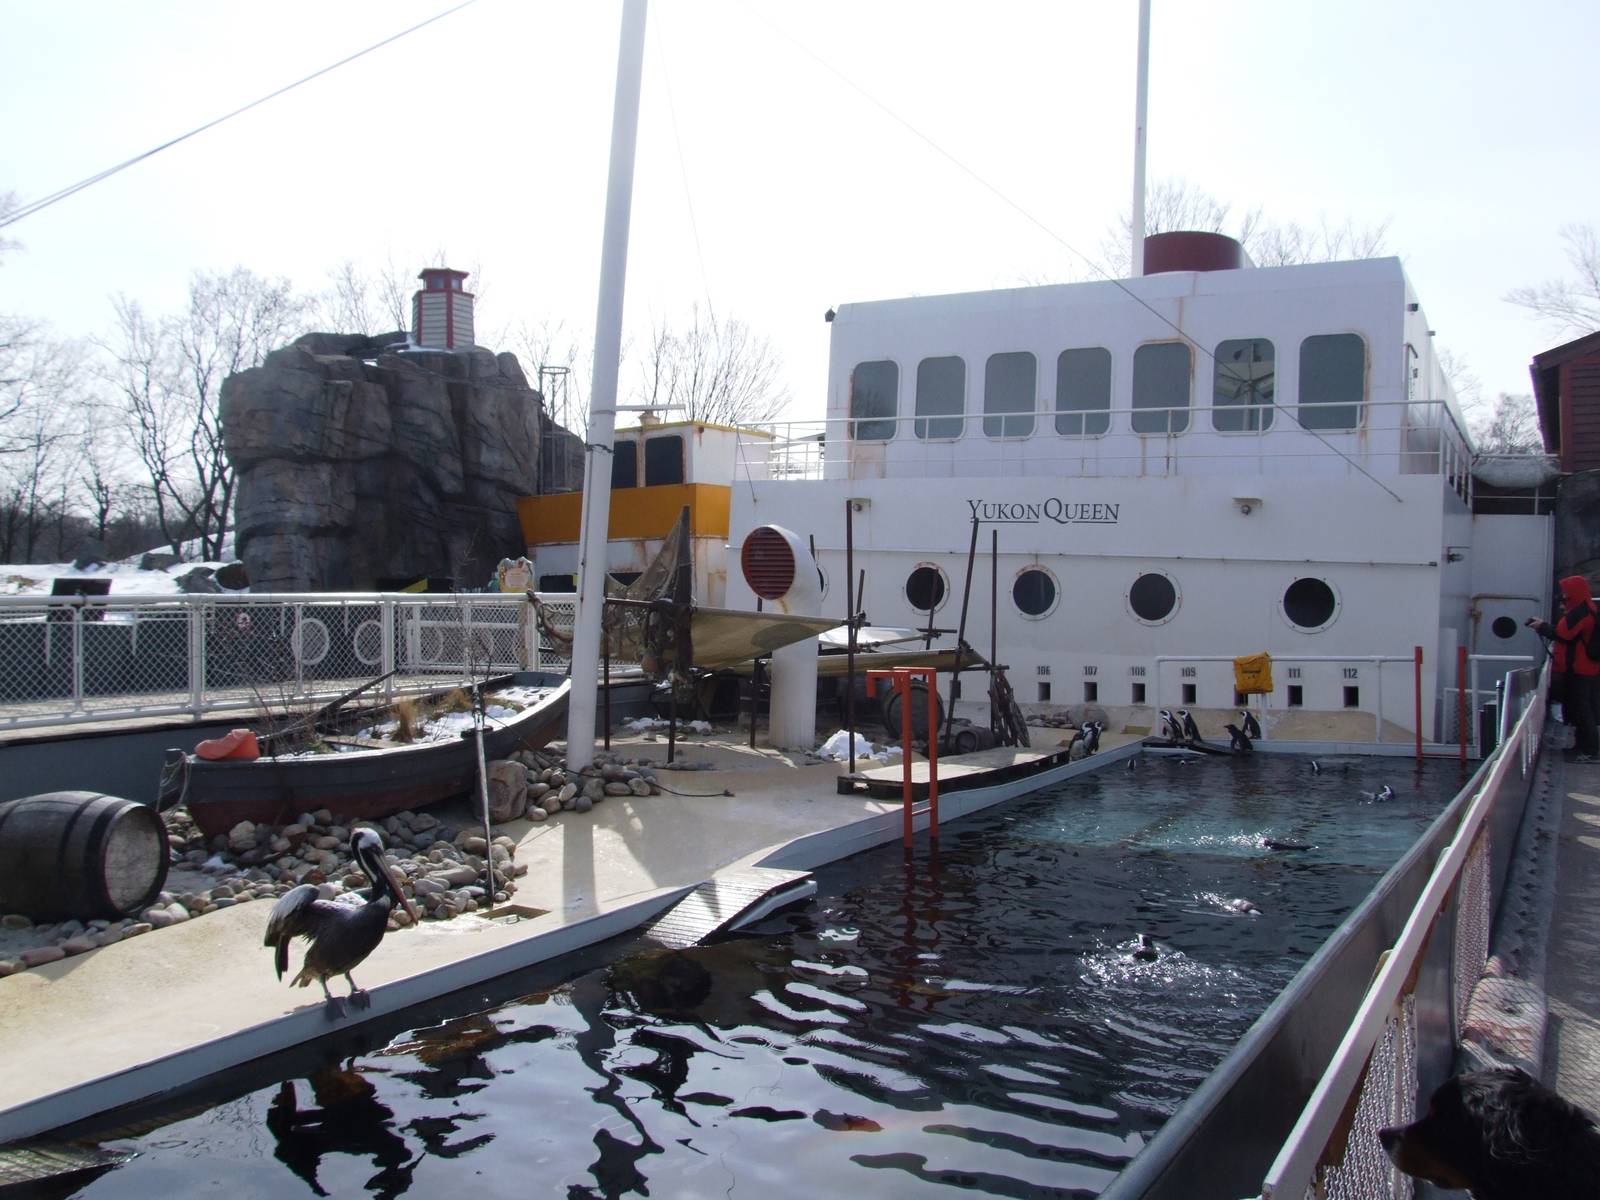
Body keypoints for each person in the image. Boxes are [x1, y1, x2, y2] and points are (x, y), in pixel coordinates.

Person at [1527, 575, 1600, 762]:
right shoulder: (1587, 609)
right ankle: (1582, 746)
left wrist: (1542, 627)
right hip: (1583, 668)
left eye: (1566, 593)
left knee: (1582, 710)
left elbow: (1563, 634)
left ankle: (1591, 750)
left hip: (1578, 669)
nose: (1563, 597)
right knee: (1580, 709)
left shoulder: (1580, 612)